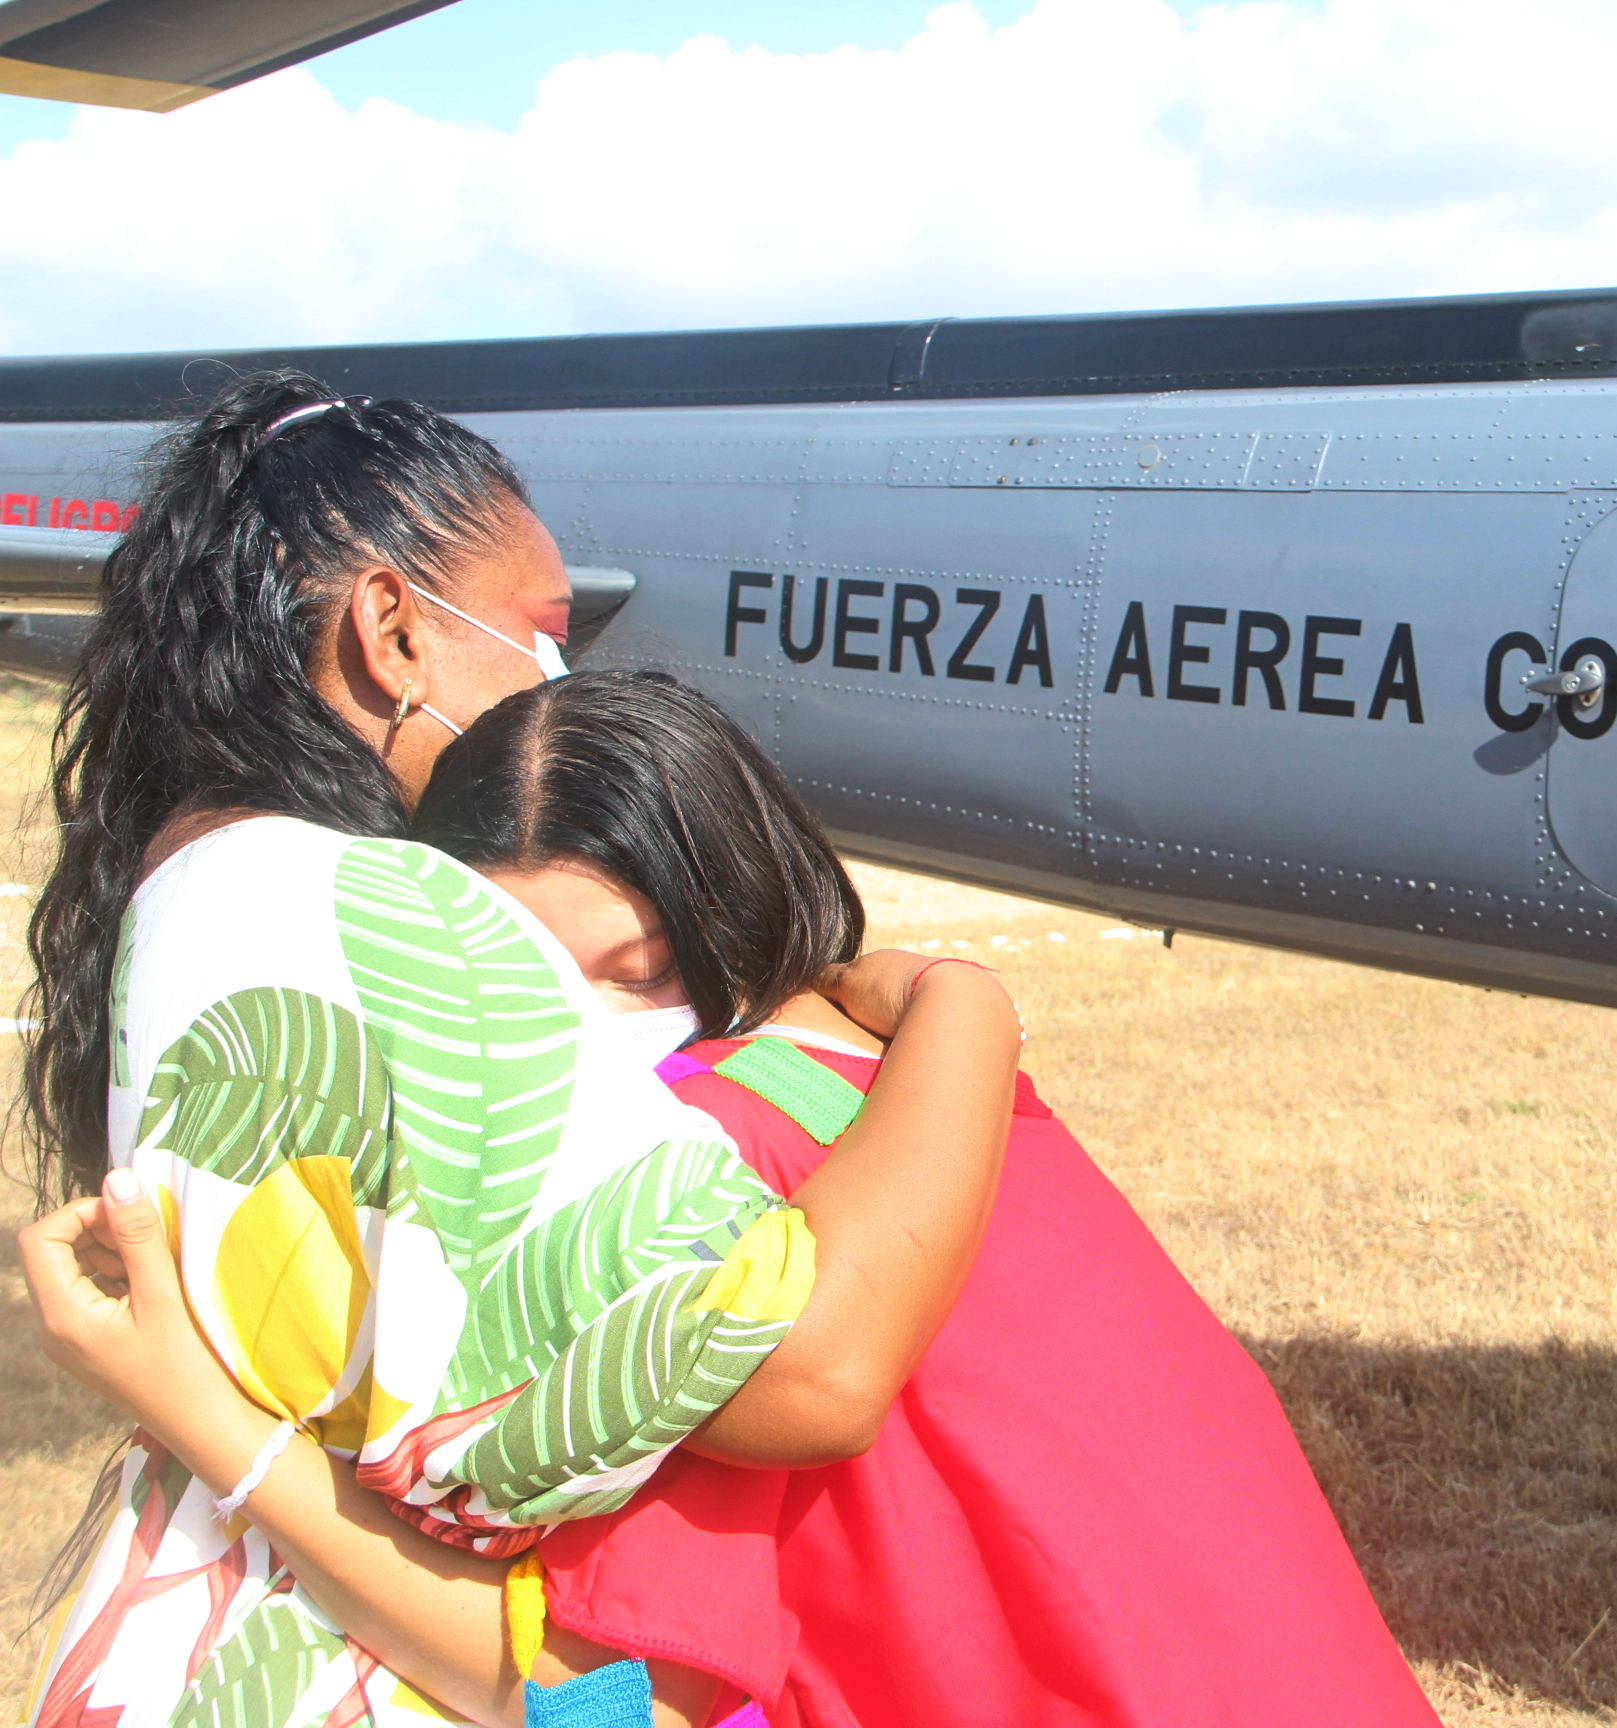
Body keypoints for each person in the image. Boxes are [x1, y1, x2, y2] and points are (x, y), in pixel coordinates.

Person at [31, 667, 1445, 1728]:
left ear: (730, 912)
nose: (579, 1031)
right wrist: (966, 994)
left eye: (635, 973)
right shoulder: (898, 1072)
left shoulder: (685, 1174)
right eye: (528, 984)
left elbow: (599, 1704)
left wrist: (207, 1422)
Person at [13, 374, 1021, 1728]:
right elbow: (805, 1367)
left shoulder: (195, 884)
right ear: (392, 632)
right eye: (546, 634)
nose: (559, 681)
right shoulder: (389, 922)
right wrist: (968, 1009)